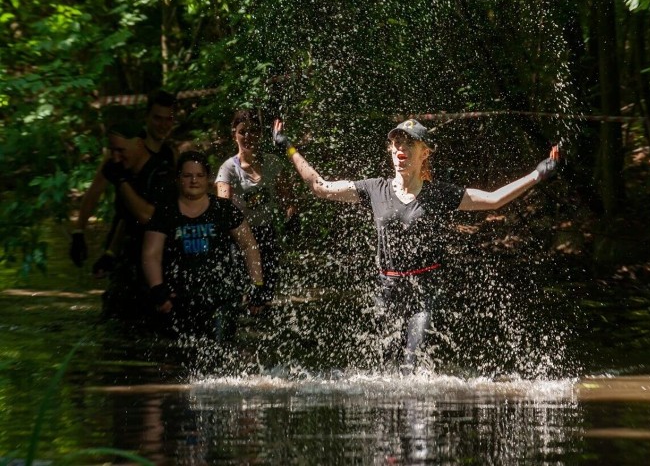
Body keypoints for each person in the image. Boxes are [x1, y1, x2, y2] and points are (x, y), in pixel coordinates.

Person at [271, 118, 559, 373]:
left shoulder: (440, 195)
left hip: (424, 291)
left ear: (425, 153)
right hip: (387, 289)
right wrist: (289, 148)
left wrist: (538, 174)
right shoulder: (373, 188)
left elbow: (494, 199)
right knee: (384, 371)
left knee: (411, 364)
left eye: (409, 143)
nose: (401, 149)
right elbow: (320, 187)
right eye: (396, 142)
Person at [142, 151, 264, 338]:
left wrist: (256, 284)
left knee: (221, 352)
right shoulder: (165, 212)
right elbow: (151, 254)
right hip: (179, 299)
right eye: (188, 175)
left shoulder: (223, 209)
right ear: (178, 178)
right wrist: (157, 289)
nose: (194, 180)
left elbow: (249, 245)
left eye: (199, 175)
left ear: (208, 179)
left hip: (222, 297)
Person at [70, 90, 178, 270]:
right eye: (158, 118)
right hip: (123, 239)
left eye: (168, 119)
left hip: (156, 241)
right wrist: (79, 231)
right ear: (147, 117)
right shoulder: (121, 151)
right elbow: (96, 190)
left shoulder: (171, 155)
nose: (163, 125)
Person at [215, 110, 298, 310]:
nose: (248, 137)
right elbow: (222, 207)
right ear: (234, 134)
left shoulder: (272, 163)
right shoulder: (228, 169)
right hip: (239, 235)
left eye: (254, 131)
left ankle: (261, 317)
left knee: (268, 283)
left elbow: (287, 198)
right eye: (243, 132)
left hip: (265, 230)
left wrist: (292, 216)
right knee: (242, 282)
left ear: (260, 134)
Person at [98, 121, 176, 323]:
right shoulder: (126, 172)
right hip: (129, 269)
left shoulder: (162, 175)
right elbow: (127, 217)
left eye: (120, 150)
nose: (116, 157)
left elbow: (148, 217)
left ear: (139, 144)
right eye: (112, 150)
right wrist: (110, 254)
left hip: (158, 274)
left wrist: (122, 182)